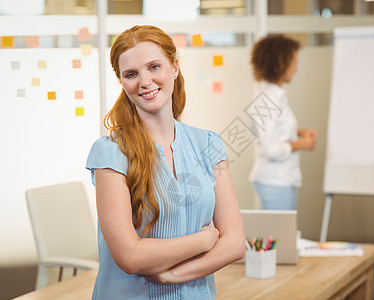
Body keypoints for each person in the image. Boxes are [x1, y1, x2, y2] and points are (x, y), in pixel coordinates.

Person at [86, 25, 245, 299]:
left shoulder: (209, 145)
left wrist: (173, 275)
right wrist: (204, 240)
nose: (145, 82)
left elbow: (234, 244)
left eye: (154, 67)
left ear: (174, 67)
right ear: (122, 83)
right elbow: (130, 256)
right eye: (131, 74)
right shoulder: (110, 154)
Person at [248, 35, 317, 210]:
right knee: (279, 236)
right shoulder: (267, 100)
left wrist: (300, 132)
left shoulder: (274, 96)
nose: (296, 70)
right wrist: (302, 143)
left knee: (281, 234)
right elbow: (271, 149)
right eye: (293, 64)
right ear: (280, 64)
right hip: (274, 180)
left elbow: (275, 130)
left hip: (281, 179)